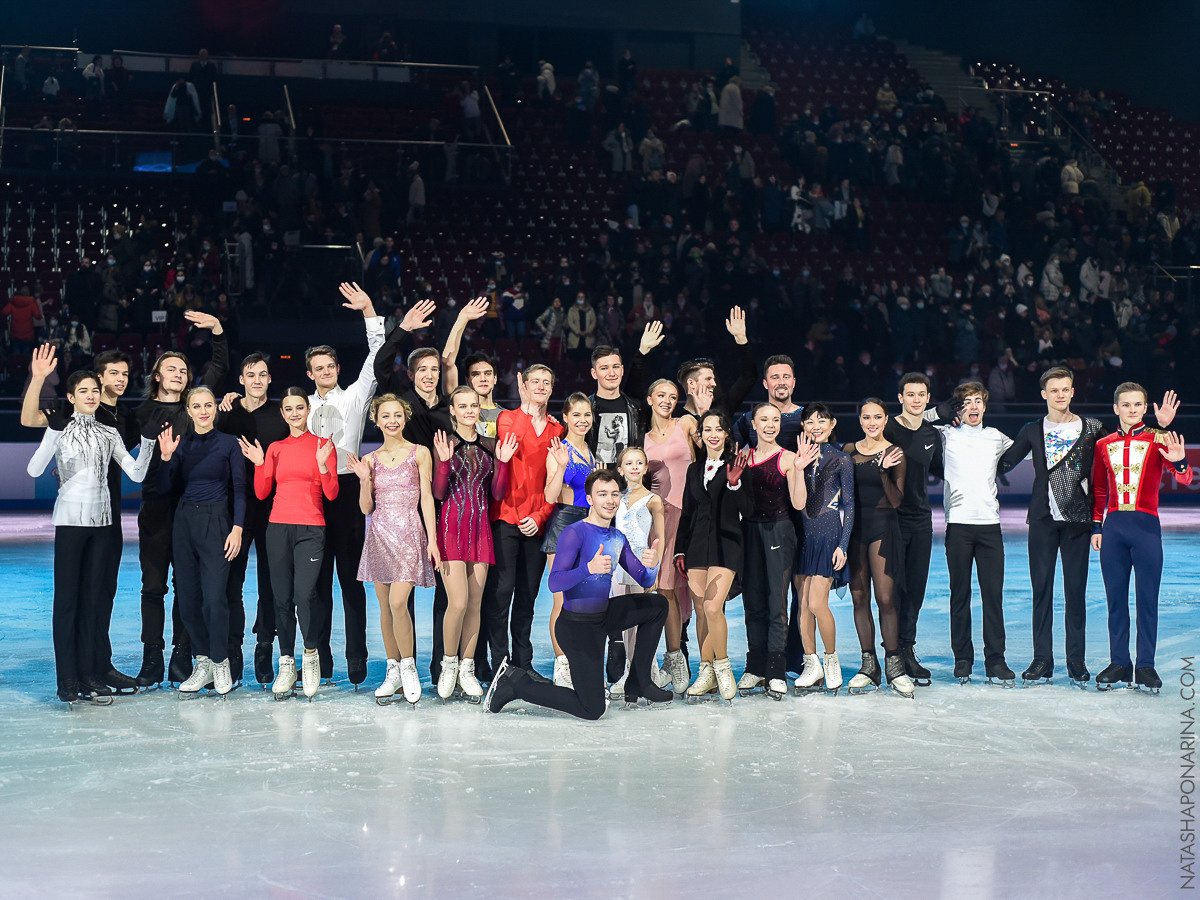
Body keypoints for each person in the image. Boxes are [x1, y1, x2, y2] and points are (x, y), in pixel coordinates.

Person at [1000, 369, 1178, 687]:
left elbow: (1120, 456)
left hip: (1079, 522)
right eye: (1053, 390)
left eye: (1065, 389)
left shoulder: (1093, 428)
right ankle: (1042, 659)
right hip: (1043, 520)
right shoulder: (1032, 429)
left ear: (1072, 392)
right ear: (1044, 394)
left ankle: (1077, 661)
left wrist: (1163, 430)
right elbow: (1005, 461)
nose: (1059, 394)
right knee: (1042, 592)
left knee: (1075, 594)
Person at [24, 351, 155, 704]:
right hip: (69, 524)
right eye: (84, 391)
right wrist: (51, 434)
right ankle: (67, 679)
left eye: (95, 390)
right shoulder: (60, 427)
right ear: (71, 397)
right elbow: (34, 471)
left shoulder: (109, 431)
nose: (92, 395)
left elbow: (137, 474)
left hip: (103, 523)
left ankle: (89, 674)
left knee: (94, 600)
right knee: (68, 602)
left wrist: (150, 442)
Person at [485, 470, 669, 719]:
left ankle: (640, 680)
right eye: (602, 494)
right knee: (593, 709)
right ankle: (517, 685)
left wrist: (652, 563)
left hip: (604, 617)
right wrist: (588, 569)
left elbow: (644, 580)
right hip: (577, 627)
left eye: (614, 494)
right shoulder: (575, 533)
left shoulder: (617, 537)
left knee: (657, 604)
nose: (610, 500)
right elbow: (554, 582)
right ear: (590, 499)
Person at [135, 312, 228, 688]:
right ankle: (151, 655)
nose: (178, 373)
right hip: (156, 511)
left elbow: (220, 365)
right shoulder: (140, 412)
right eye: (170, 369)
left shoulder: (194, 408)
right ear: (157, 375)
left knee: (188, 586)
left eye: (183, 369)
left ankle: (182, 652)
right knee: (154, 585)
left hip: (193, 510)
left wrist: (217, 330)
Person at [306, 282, 385, 686]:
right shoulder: (299, 407)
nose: (324, 372)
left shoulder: (355, 396)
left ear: (337, 369)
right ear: (309, 373)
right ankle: (320, 658)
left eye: (330, 367)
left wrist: (368, 309)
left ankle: (357, 658)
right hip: (312, 497)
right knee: (317, 586)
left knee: (352, 584)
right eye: (317, 368)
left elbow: (378, 354)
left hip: (349, 493)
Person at [238, 388, 339, 699]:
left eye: (299, 407)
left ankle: (310, 658)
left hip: (311, 529)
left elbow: (332, 493)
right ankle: (286, 662)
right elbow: (261, 492)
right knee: (281, 597)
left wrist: (323, 466)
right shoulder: (276, 448)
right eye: (288, 409)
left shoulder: (323, 446)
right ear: (282, 413)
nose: (294, 413)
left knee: (305, 595)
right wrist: (258, 462)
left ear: (307, 410)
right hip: (278, 528)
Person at [1091, 383, 1192, 692]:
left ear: (1145, 408)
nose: (1132, 409)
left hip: (1146, 529)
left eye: (1138, 404)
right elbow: (1098, 489)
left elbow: (1185, 478)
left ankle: (1145, 665)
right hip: (1114, 529)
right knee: (1115, 601)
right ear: (1116, 409)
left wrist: (1180, 461)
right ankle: (1120, 662)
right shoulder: (1102, 444)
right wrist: (1097, 527)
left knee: (1147, 600)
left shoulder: (1159, 438)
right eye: (1126, 404)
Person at [348, 396, 438, 705]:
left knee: (399, 603)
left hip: (410, 535)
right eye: (386, 415)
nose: (392, 420)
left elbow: (427, 498)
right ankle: (393, 669)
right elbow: (366, 508)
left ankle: (408, 666)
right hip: (379, 536)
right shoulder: (370, 459)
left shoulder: (419, 453)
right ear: (377, 420)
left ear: (405, 417)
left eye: (397, 415)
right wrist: (363, 480)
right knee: (385, 608)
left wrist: (433, 540)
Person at [156, 388, 245, 696]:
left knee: (215, 597)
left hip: (217, 521)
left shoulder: (228, 444)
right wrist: (167, 458)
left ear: (214, 409)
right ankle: (202, 659)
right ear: (189, 410)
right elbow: (166, 487)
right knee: (189, 598)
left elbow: (241, 489)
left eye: (209, 404)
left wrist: (237, 527)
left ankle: (221, 661)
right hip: (184, 522)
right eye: (197, 405)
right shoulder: (180, 443)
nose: (204, 410)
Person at [432, 387, 518, 700]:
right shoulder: (445, 443)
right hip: (451, 529)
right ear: (452, 410)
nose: (469, 410)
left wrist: (503, 463)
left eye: (474, 405)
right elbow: (439, 493)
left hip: (480, 530)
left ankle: (467, 667)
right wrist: (443, 462)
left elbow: (496, 493)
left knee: (474, 604)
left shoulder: (489, 445)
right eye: (463, 406)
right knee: (456, 602)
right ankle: (448, 665)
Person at [485, 365, 564, 675]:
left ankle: (523, 664)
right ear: (524, 385)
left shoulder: (557, 431)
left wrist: (540, 515)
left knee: (527, 598)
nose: (541, 386)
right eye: (535, 382)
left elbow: (554, 482)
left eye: (547, 382)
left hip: (537, 522)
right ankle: (499, 664)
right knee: (502, 593)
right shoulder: (507, 420)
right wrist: (525, 408)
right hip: (505, 519)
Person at [935, 382, 1015, 685]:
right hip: (958, 526)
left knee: (993, 596)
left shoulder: (996, 437)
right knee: (960, 595)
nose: (973, 407)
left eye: (978, 401)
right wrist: (941, 411)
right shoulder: (946, 435)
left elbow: (1028, 451)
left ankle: (996, 660)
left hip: (989, 527)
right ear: (958, 408)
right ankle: (963, 659)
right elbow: (912, 423)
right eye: (966, 402)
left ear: (985, 406)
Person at [217, 352, 289, 685]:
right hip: (235, 511)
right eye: (251, 374)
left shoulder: (281, 414)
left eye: (263, 374)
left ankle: (264, 646)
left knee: (270, 582)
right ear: (241, 380)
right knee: (233, 580)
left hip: (274, 507)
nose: (257, 380)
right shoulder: (226, 415)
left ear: (269, 380)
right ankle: (233, 649)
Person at [736, 404, 816, 699]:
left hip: (779, 532)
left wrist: (798, 471)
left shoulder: (788, 458)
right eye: (764, 420)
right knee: (752, 602)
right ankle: (755, 665)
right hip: (749, 533)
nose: (770, 424)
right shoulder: (742, 458)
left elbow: (798, 504)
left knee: (776, 602)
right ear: (753, 424)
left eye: (775, 420)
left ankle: (776, 669)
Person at [677, 412, 753, 703]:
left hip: (727, 544)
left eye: (718, 429)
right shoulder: (694, 469)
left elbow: (748, 508)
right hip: (697, 545)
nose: (712, 434)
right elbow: (688, 512)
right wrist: (680, 549)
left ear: (726, 435)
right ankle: (706, 672)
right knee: (700, 610)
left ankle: (722, 666)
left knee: (711, 607)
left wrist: (734, 484)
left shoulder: (737, 466)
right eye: (706, 429)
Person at [843, 399, 913, 697]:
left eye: (878, 417)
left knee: (885, 598)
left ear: (886, 420)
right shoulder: (848, 451)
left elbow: (897, 500)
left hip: (883, 529)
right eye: (866, 417)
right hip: (855, 531)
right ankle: (868, 665)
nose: (872, 422)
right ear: (860, 420)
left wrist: (883, 470)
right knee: (860, 599)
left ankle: (894, 665)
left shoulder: (895, 453)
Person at [882, 373, 943, 685]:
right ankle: (891, 653)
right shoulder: (888, 427)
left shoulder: (933, 434)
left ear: (927, 398)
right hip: (889, 519)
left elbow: (942, 469)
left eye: (922, 394)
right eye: (911, 394)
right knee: (891, 589)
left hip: (920, 521)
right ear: (900, 397)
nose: (916, 399)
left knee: (915, 589)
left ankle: (906, 649)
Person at [792, 403, 853, 694]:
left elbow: (850, 505)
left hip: (828, 536)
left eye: (821, 421)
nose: (815, 426)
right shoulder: (797, 458)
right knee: (802, 605)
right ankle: (811, 663)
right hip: (801, 537)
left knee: (817, 603)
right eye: (809, 421)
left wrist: (843, 544)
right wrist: (799, 466)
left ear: (831, 424)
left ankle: (831, 660)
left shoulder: (841, 459)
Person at [642, 378, 698, 692]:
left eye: (673, 396)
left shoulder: (686, 423)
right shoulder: (643, 437)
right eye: (661, 395)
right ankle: (655, 660)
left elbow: (704, 451)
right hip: (652, 517)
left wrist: (703, 412)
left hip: (682, 515)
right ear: (649, 399)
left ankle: (677, 659)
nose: (667, 400)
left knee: (671, 589)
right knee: (653, 590)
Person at [543, 394, 598, 686]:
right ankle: (562, 662)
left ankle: (580, 661)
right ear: (565, 417)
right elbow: (549, 496)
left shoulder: (590, 452)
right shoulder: (558, 449)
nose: (582, 420)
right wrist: (562, 466)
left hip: (587, 526)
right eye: (576, 414)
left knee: (583, 600)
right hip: (564, 524)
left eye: (587, 414)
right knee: (562, 600)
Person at [607, 447, 667, 698]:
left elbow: (660, 539)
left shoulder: (653, 500)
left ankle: (645, 672)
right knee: (625, 622)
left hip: (641, 566)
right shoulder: (614, 498)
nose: (634, 467)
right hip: (618, 567)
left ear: (644, 468)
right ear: (620, 469)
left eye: (639, 462)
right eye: (628, 463)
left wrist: (654, 569)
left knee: (642, 623)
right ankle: (631, 673)